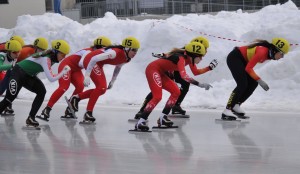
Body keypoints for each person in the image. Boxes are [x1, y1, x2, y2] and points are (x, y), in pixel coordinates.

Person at [135, 42, 212, 131]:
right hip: (153, 69)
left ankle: (163, 118)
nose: (202, 59)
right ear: (193, 55)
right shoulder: (182, 59)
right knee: (157, 96)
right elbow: (184, 76)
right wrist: (200, 84)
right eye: (201, 56)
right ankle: (141, 121)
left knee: (176, 92)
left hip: (161, 72)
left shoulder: (188, 59)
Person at [38, 36, 112, 120]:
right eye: (106, 49)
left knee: (80, 86)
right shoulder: (88, 52)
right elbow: (82, 62)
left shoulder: (96, 52)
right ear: (100, 47)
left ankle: (70, 108)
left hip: (76, 69)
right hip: (66, 66)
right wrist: (88, 75)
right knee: (64, 87)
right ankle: (47, 109)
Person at [68, 36, 140, 123]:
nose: (135, 53)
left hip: (98, 63)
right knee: (101, 87)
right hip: (91, 60)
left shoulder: (127, 58)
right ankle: (88, 113)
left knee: (102, 90)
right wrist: (87, 75)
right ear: (127, 48)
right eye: (134, 50)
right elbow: (93, 58)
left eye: (137, 50)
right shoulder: (114, 53)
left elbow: (118, 67)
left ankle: (76, 98)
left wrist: (113, 81)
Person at [0, 40, 71, 127]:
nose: (64, 57)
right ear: (56, 52)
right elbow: (51, 78)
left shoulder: (49, 57)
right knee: (8, 99)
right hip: (18, 73)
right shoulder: (46, 59)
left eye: (65, 55)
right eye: (63, 54)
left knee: (41, 91)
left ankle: (31, 118)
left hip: (28, 75)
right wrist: (64, 71)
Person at [221, 38, 290, 121]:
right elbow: (248, 69)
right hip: (235, 58)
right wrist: (260, 80)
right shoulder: (262, 52)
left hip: (242, 60)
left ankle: (236, 105)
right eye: (282, 54)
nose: (282, 57)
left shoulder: (269, 54)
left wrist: (257, 80)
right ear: (275, 50)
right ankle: (227, 110)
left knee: (253, 83)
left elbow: (248, 65)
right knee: (242, 84)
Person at [0, 37, 49, 115]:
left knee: (10, 86)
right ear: (36, 48)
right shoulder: (24, 52)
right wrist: (11, 66)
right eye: (41, 50)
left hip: (12, 66)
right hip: (8, 66)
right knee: (4, 86)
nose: (42, 52)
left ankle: (7, 104)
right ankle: (7, 104)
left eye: (44, 50)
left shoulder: (20, 52)